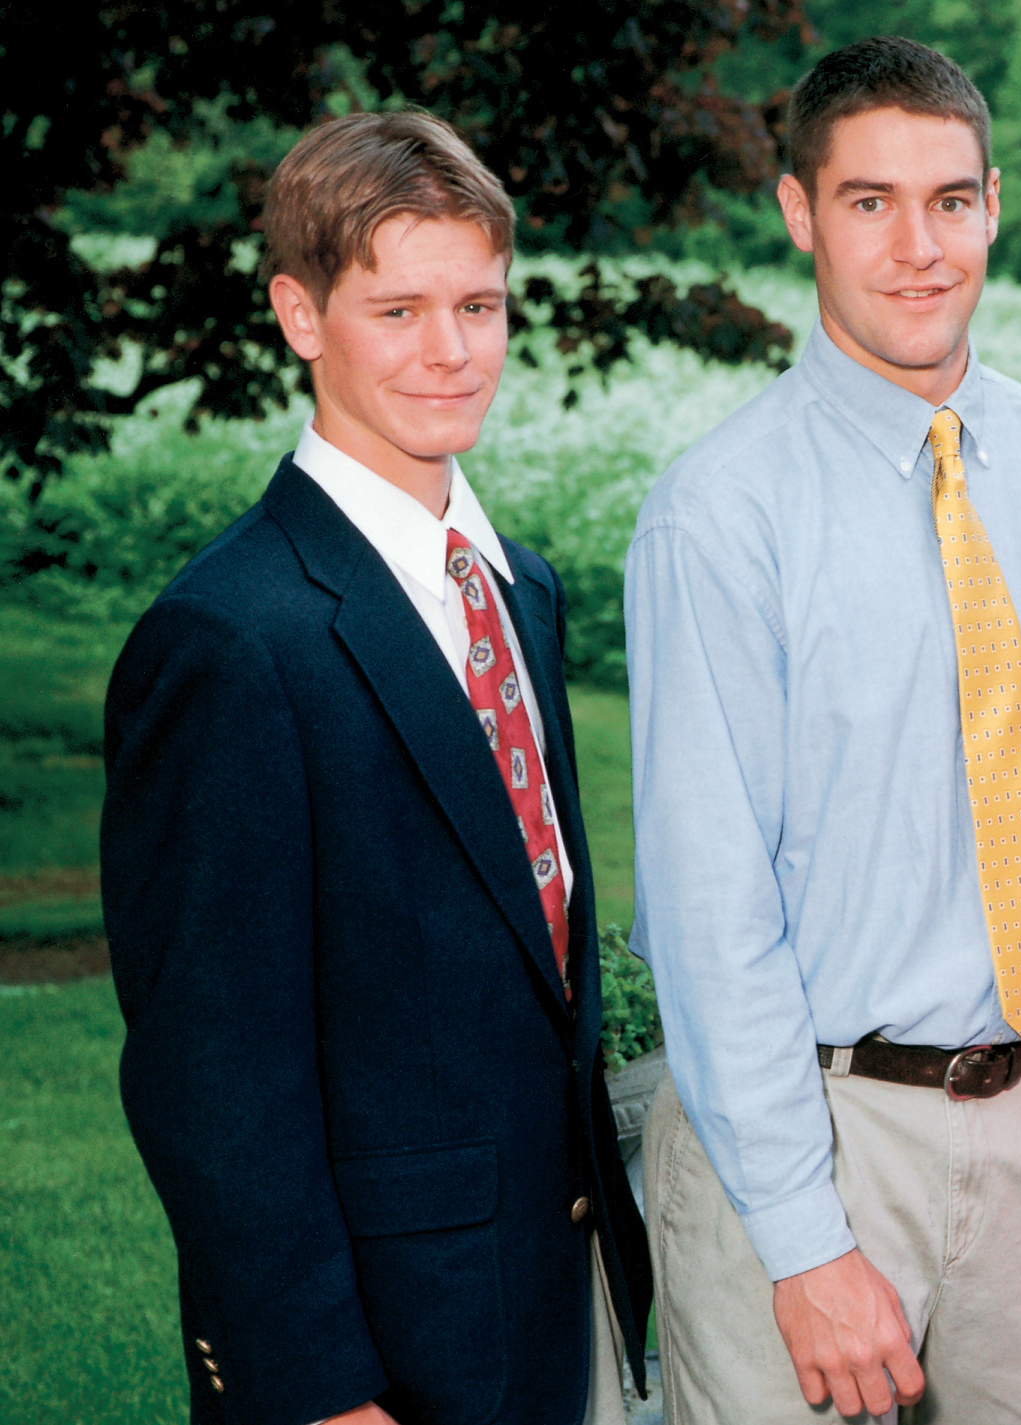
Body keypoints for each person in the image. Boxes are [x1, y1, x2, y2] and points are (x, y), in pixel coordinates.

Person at [624, 35, 1021, 1425]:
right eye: (869, 202)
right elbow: (708, 906)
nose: (918, 246)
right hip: (813, 1132)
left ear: (993, 202)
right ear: (801, 214)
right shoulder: (719, 511)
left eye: (948, 199)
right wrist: (803, 1238)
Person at [100, 111, 650, 1425]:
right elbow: (213, 1079)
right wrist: (317, 1393)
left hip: (557, 1293)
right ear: (301, 315)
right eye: (397, 308)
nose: (450, 350)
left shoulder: (520, 592)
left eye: (479, 304)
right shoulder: (232, 638)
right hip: (376, 1354)